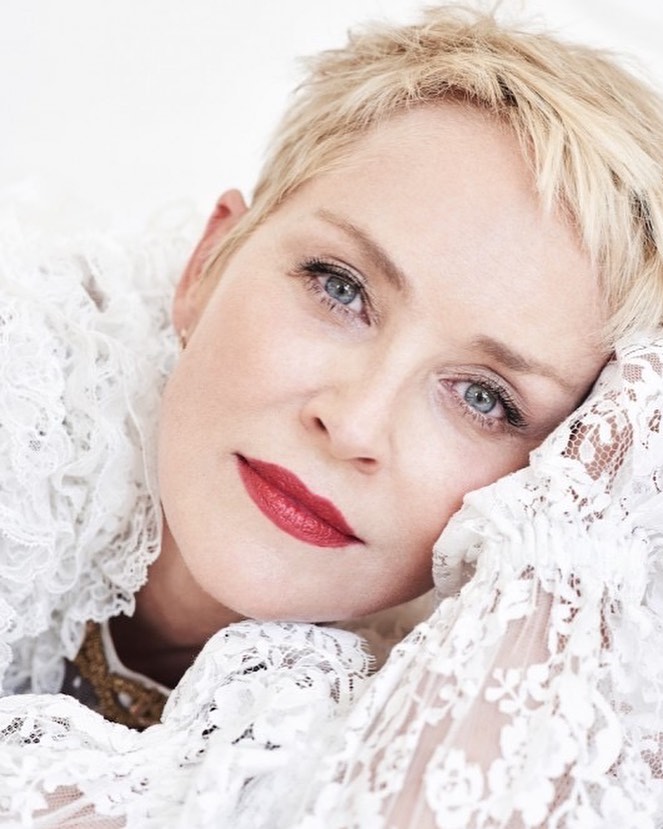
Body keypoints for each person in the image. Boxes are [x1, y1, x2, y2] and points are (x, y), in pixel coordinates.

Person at [1, 4, 662, 826]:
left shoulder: (473, 711)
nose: (352, 425)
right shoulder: (29, 388)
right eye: (340, 287)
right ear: (206, 264)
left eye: (483, 398)